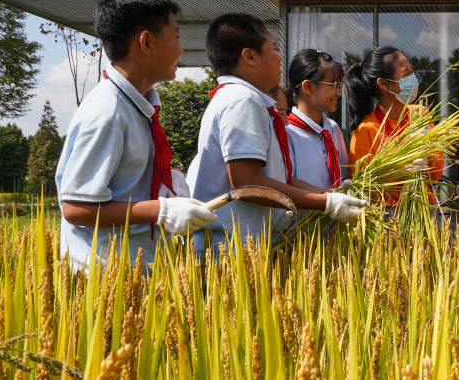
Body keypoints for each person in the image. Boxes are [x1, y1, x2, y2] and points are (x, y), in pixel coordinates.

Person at [56, 0, 217, 270]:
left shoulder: (137, 108)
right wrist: (161, 209)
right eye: (177, 37)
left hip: (134, 272)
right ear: (146, 43)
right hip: (104, 281)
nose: (181, 49)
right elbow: (76, 207)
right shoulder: (108, 112)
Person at [187, 13, 367, 250]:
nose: (281, 57)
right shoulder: (242, 100)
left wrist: (327, 196)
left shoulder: (240, 98)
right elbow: (247, 183)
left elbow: (266, 178)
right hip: (233, 250)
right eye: (273, 49)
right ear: (250, 56)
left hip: (244, 246)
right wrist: (325, 203)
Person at [346, 46, 445, 209]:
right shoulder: (366, 129)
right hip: (385, 216)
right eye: (406, 75)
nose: (414, 79)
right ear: (383, 84)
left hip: (424, 208)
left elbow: (435, 174)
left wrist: (428, 157)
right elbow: (362, 185)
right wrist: (401, 171)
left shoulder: (420, 115)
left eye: (412, 72)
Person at [285, 48, 349, 192]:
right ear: (308, 87)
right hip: (302, 214)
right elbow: (285, 180)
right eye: (334, 85)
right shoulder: (287, 131)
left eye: (340, 85)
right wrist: (326, 198)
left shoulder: (333, 128)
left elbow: (344, 175)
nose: (339, 93)